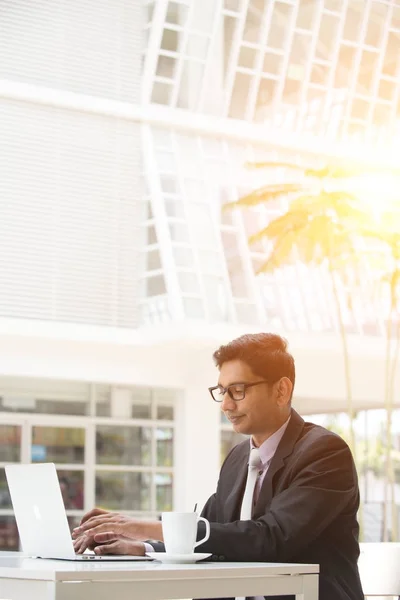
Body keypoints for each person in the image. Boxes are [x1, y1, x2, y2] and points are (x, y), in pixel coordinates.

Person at [72, 333, 364, 600]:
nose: (225, 405)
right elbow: (215, 535)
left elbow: (271, 537)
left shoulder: (324, 453)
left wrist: (145, 528)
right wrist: (144, 545)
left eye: (237, 390)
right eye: (221, 391)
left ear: (281, 390)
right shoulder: (237, 458)